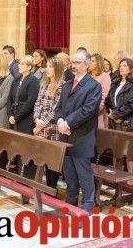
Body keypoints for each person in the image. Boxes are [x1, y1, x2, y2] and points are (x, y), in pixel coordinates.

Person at [54, 51, 101, 213]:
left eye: (78, 62)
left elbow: (88, 110)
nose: (74, 66)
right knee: (69, 174)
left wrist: (68, 122)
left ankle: (88, 204)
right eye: (73, 62)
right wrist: (60, 120)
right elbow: (58, 107)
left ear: (87, 65)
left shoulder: (93, 86)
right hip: (65, 135)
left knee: (84, 174)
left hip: (82, 136)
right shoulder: (67, 84)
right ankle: (71, 201)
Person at [33, 56, 65, 189]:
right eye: (47, 66)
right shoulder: (44, 84)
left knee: (52, 158)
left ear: (57, 69)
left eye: (50, 67)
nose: (47, 69)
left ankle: (52, 187)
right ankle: (46, 186)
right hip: (40, 125)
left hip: (52, 127)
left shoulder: (62, 86)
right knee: (43, 157)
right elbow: (37, 103)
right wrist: (36, 119)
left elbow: (55, 108)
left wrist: (41, 124)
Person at [105, 58, 133, 180]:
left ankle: (130, 178)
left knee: (129, 151)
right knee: (116, 149)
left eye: (124, 66)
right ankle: (117, 175)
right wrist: (110, 112)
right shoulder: (115, 82)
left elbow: (132, 103)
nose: (121, 68)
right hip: (113, 120)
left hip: (127, 121)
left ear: (131, 68)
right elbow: (108, 99)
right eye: (120, 66)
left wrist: (117, 115)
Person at [8, 55, 40, 134]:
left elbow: (30, 102)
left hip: (25, 119)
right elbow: (9, 99)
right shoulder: (16, 80)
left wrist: (17, 117)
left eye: (22, 64)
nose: (19, 65)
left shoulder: (33, 80)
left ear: (29, 67)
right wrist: (10, 115)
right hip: (12, 117)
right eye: (19, 63)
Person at [89, 53, 111, 128]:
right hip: (85, 114)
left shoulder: (105, 76)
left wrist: (91, 112)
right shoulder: (88, 77)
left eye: (93, 61)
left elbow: (104, 97)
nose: (89, 63)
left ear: (98, 63)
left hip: (98, 115)